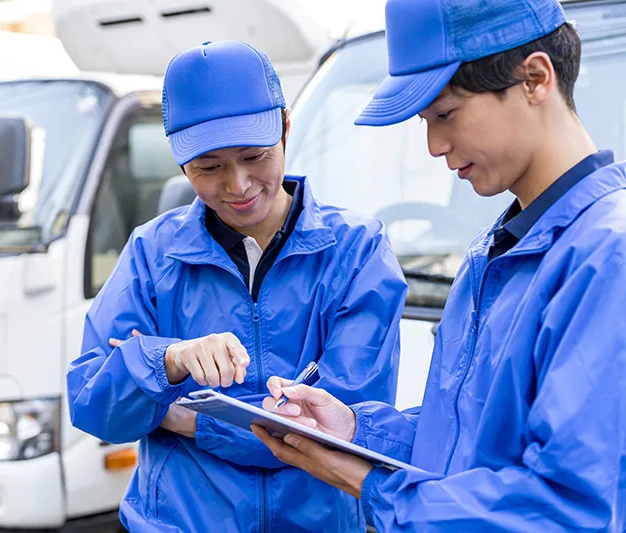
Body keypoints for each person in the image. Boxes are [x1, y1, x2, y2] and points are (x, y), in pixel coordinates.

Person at [253, 0, 626, 531]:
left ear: (535, 79)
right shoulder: (492, 254)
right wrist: (356, 431)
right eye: (426, 121)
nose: (433, 145)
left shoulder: (607, 256)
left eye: (446, 113)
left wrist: (368, 482)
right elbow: (466, 445)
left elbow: (568, 509)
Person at [66, 40, 407, 532]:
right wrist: (171, 360)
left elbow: (340, 428)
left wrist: (181, 414)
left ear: (286, 127)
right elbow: (93, 406)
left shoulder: (357, 250)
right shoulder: (152, 252)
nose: (239, 185)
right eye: (209, 167)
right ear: (180, 161)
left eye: (255, 156)